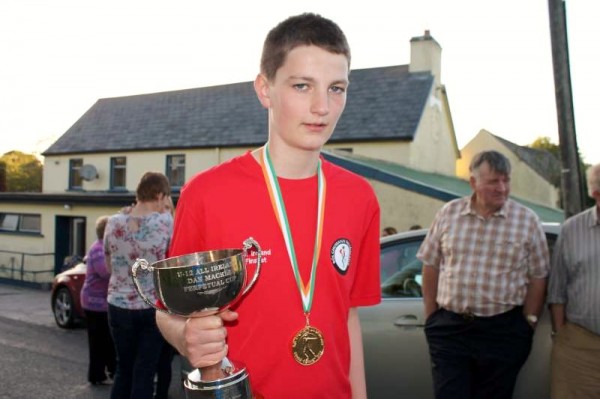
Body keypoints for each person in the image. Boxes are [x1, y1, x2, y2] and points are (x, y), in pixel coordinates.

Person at [156, 13, 381, 398]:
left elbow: (348, 317)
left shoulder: (360, 197)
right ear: (265, 89)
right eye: (302, 86)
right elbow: (167, 310)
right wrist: (184, 336)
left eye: (337, 88)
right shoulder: (207, 194)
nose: (322, 107)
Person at [417, 150, 549, 399]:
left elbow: (539, 276)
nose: (502, 188)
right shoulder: (449, 214)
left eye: (506, 180)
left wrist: (528, 322)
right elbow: (430, 264)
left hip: (502, 332)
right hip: (451, 329)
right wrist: (432, 316)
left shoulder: (527, 221)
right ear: (474, 183)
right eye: (493, 181)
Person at [104, 172, 174, 399]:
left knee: (123, 368)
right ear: (159, 194)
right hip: (151, 306)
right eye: (166, 197)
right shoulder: (165, 222)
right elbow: (172, 260)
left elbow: (109, 266)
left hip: (118, 304)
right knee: (144, 371)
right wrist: (169, 210)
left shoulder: (113, 222)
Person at [547, 163, 600, 398]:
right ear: (596, 193)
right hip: (581, 346)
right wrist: (562, 337)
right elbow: (557, 291)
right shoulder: (572, 230)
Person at [80, 215, 116, 385]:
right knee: (98, 341)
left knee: (107, 340)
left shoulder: (104, 248)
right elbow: (106, 273)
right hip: (94, 304)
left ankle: (109, 371)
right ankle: (96, 375)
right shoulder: (98, 250)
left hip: (101, 303)